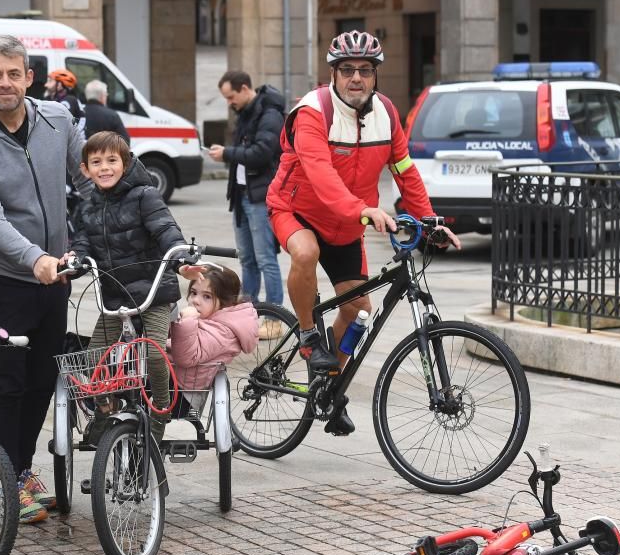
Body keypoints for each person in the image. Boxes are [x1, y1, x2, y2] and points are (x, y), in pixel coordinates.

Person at [265, 29, 460, 435]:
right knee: (305, 253)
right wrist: (366, 211)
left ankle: (327, 384)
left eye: (366, 70)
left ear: (375, 76)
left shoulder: (386, 113)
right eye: (348, 69)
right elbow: (319, 175)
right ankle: (305, 336)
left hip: (349, 222)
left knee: (358, 313)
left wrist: (429, 222)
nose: (357, 78)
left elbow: (404, 170)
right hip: (297, 208)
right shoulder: (311, 112)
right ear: (333, 73)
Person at [0, 35, 84, 524]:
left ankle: (21, 469)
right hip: (6, 279)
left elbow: (92, 178)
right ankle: (6, 479)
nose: (4, 83)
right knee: (8, 382)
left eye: (13, 73)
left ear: (29, 77)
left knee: (43, 380)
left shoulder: (59, 119)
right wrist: (36, 260)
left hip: (56, 275)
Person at [67, 132, 191, 443]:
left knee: (153, 352)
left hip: (154, 293)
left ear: (126, 163)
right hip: (115, 294)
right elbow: (82, 242)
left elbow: (165, 228)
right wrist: (75, 259)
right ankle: (111, 403)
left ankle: (161, 406)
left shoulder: (145, 195)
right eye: (96, 162)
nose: (104, 167)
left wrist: (180, 255)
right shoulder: (86, 206)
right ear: (85, 169)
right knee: (95, 355)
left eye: (112, 160)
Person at [207, 71, 285, 339]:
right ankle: (247, 315)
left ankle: (274, 320)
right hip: (242, 196)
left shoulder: (269, 113)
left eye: (230, 96)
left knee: (266, 259)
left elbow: (263, 153)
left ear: (243, 89)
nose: (229, 102)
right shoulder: (247, 113)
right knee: (248, 260)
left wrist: (227, 153)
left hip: (261, 198)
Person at [169, 265, 259, 414]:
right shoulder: (210, 319)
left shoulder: (222, 331)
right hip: (176, 382)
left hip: (182, 395)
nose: (196, 300)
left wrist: (186, 322)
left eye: (207, 296)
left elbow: (186, 357)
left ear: (225, 302)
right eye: (193, 293)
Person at [83, 79, 129, 143]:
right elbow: (125, 142)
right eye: (106, 95)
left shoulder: (78, 114)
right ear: (102, 96)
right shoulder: (112, 116)